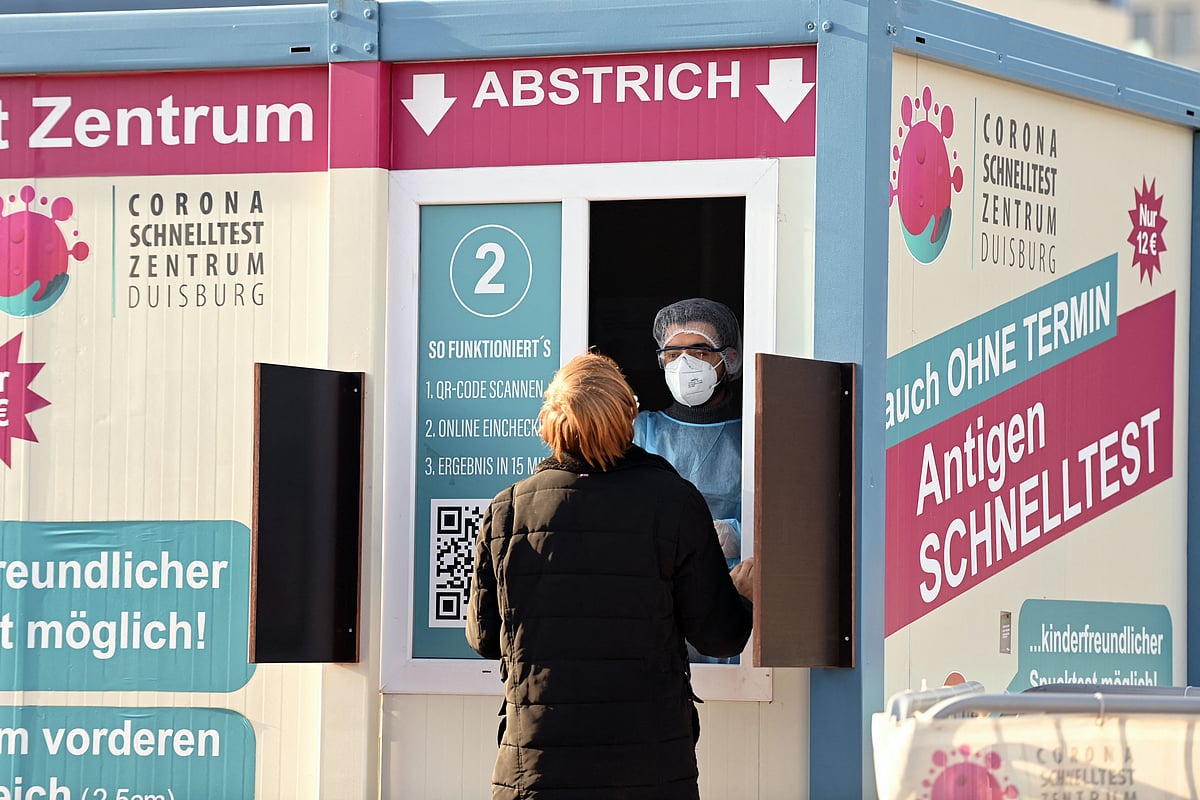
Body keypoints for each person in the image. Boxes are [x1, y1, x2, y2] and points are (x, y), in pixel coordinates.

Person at [467, 352, 754, 800]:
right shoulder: (674, 503)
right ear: (629, 416)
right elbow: (720, 637)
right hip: (647, 770)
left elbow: (485, 638)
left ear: (549, 422)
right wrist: (740, 594)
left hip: (537, 771)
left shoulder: (508, 510)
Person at [634, 297, 743, 565]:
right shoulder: (641, 431)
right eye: (672, 354)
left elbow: (779, 514)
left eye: (700, 353)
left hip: (731, 585)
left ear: (729, 358)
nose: (684, 364)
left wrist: (738, 534)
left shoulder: (752, 437)